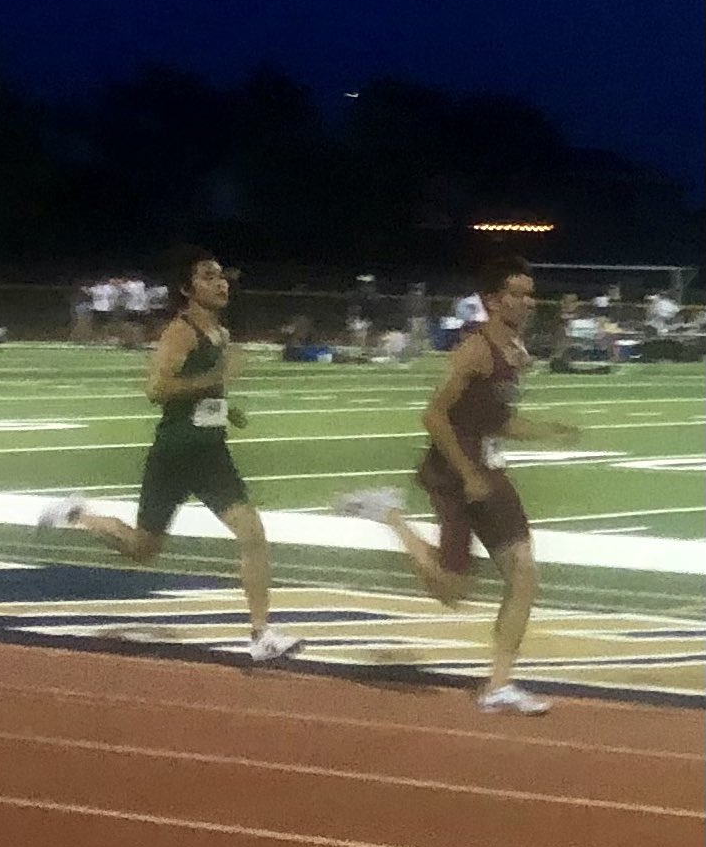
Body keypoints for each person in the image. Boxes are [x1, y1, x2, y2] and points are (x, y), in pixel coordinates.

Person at [337, 256, 579, 715]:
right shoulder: (475, 349)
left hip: (489, 471)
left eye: (530, 294)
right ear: (492, 300)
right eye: (517, 294)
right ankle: (389, 515)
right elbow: (433, 415)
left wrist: (548, 431)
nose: (528, 302)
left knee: (523, 574)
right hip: (455, 474)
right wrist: (468, 475)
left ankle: (499, 686)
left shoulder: (516, 349)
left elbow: (495, 420)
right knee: (452, 591)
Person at [38, 246, 302, 663]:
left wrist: (225, 408)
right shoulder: (180, 332)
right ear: (186, 289)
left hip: (210, 452)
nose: (221, 283)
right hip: (175, 454)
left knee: (252, 535)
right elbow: (157, 390)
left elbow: (204, 392)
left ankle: (261, 634)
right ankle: (78, 514)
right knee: (143, 549)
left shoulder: (220, 333)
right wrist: (217, 377)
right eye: (208, 276)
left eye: (221, 275)